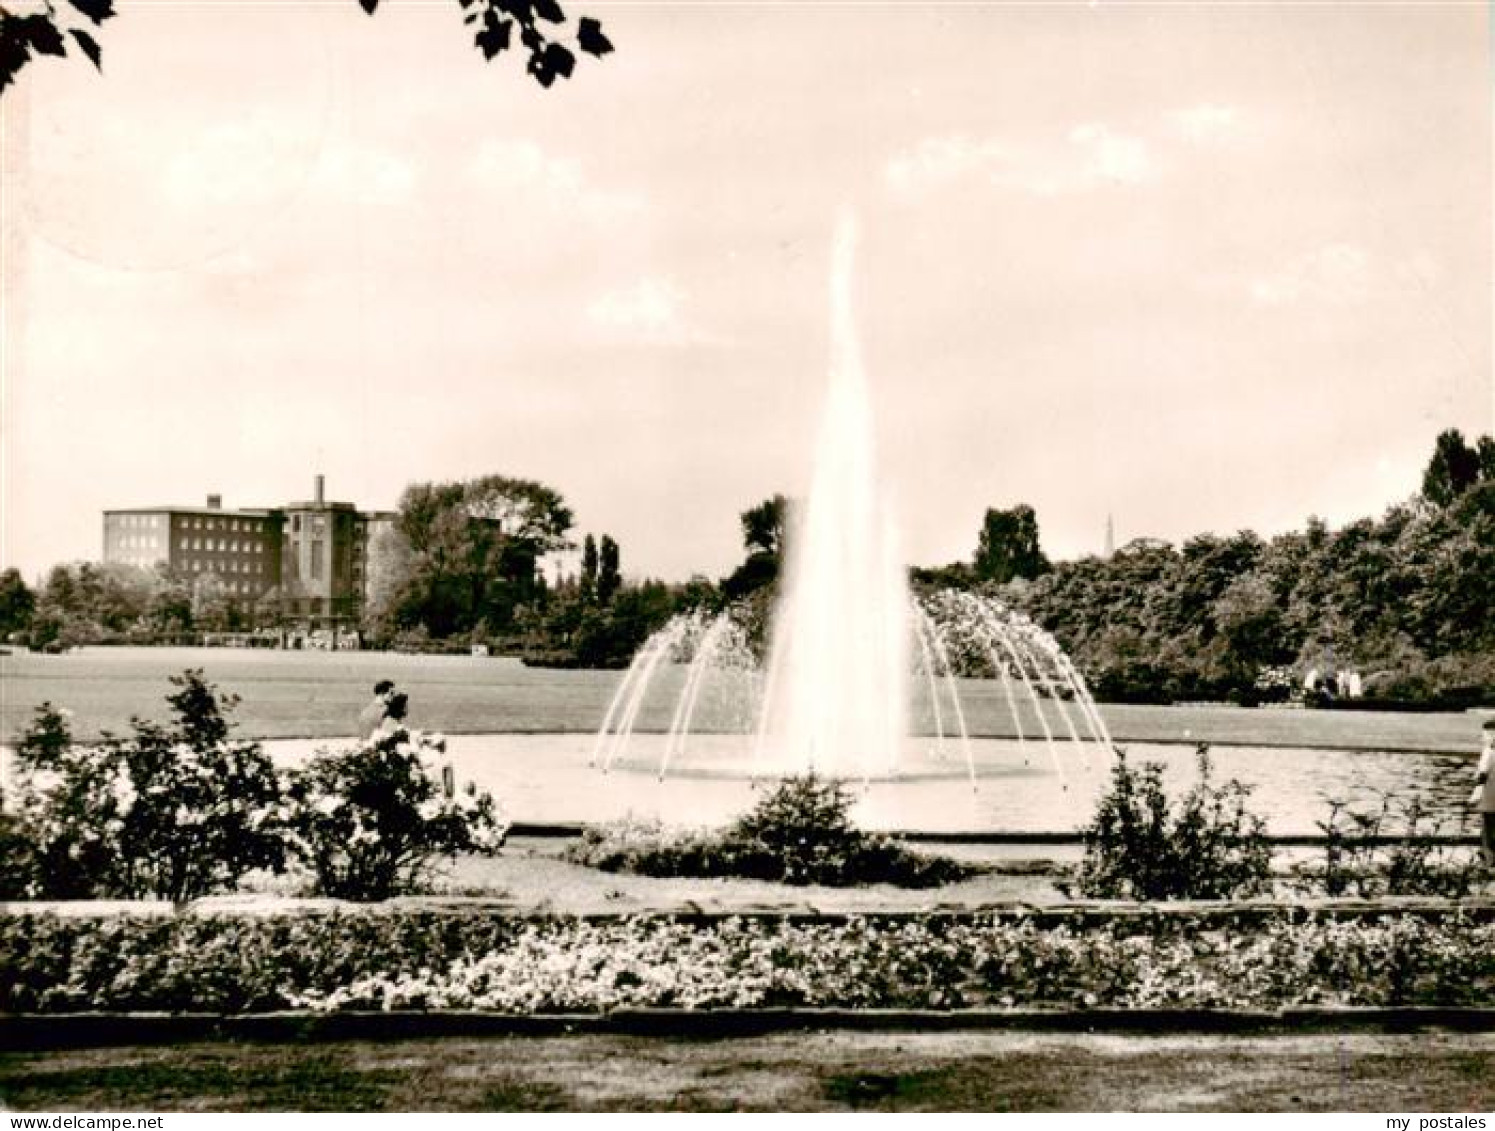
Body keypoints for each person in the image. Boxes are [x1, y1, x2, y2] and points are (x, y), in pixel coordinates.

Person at [1472, 719, 1495, 868]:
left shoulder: (1489, 751)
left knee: (1487, 824)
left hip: (1491, 790)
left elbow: (1483, 773)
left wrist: (1476, 790)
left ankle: (1488, 858)